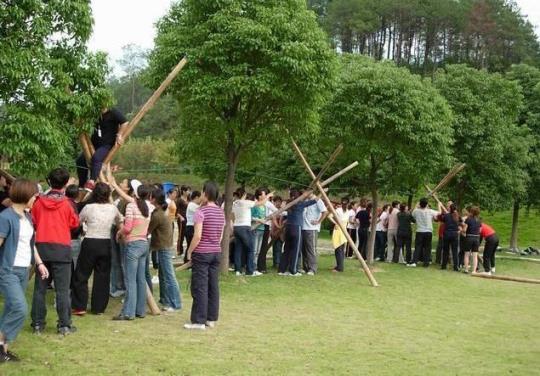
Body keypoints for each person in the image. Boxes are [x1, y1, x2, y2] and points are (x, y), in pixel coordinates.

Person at [0, 179, 49, 362]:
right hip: (7, 270)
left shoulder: (28, 217)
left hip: (23, 269)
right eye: (35, 196)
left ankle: (3, 350)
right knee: (20, 308)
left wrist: (40, 263)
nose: (36, 199)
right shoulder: (5, 218)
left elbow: (31, 244)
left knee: (11, 308)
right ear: (26, 195)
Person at [31, 168, 79, 335]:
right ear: (66, 183)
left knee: (40, 289)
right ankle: (64, 325)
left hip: (42, 249)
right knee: (62, 289)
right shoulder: (67, 204)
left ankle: (37, 323)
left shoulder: (38, 203)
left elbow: (33, 222)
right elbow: (74, 224)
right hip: (61, 249)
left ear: (49, 182)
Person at [71, 183, 122, 315]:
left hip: (90, 241)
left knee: (81, 274)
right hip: (105, 243)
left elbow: (77, 222)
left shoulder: (88, 207)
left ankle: (79, 306)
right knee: (102, 276)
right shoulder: (113, 209)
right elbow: (119, 221)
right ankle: (98, 308)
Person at [184, 181, 225, 330]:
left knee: (200, 287)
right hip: (215, 252)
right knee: (213, 286)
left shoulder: (200, 212)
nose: (200, 195)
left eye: (202, 192)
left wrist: (189, 251)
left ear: (206, 194)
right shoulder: (221, 212)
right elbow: (220, 235)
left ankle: (198, 321)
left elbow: (198, 235)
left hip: (202, 253)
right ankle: (211, 318)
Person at [112, 184, 152, 321]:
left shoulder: (131, 206)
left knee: (130, 280)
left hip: (133, 245)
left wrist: (119, 232)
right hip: (144, 244)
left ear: (134, 194)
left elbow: (128, 228)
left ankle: (128, 312)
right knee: (141, 279)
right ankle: (140, 310)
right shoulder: (148, 207)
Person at [76, 107, 128, 188]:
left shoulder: (113, 112)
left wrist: (119, 135)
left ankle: (92, 180)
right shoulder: (94, 111)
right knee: (80, 161)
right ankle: (82, 183)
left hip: (107, 144)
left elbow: (125, 122)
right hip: (94, 143)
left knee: (96, 158)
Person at [149, 188, 182, 312]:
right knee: (163, 275)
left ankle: (175, 303)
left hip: (164, 247)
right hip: (163, 246)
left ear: (154, 199)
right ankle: (165, 300)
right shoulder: (160, 211)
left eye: (151, 196)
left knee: (169, 276)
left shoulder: (158, 215)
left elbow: (148, 230)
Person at [278, 190, 317, 277]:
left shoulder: (289, 203)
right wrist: (321, 192)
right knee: (296, 250)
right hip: (296, 228)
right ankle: (293, 271)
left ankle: (282, 269)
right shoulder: (300, 204)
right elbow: (315, 200)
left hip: (288, 227)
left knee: (287, 249)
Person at [231, 189, 259, 276]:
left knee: (238, 249)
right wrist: (268, 196)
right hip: (244, 227)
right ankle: (250, 271)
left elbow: (233, 216)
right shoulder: (245, 203)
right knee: (251, 249)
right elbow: (260, 203)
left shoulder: (235, 203)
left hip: (237, 227)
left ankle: (237, 270)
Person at [408, 198, 440, 268]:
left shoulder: (416, 211)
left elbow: (412, 213)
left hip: (420, 231)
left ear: (420, 204)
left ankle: (414, 262)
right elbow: (439, 213)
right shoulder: (430, 211)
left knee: (418, 247)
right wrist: (439, 204)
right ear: (427, 204)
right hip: (428, 232)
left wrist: (417, 203)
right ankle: (426, 263)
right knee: (427, 247)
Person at [301, 194, 327, 275]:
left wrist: (318, 221)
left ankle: (312, 268)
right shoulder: (305, 200)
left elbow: (325, 212)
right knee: (304, 249)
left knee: (311, 249)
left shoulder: (318, 200)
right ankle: (305, 267)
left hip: (312, 228)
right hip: (303, 227)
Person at [440, 204, 463, 271]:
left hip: (447, 234)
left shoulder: (446, 216)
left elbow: (443, 221)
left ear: (450, 208)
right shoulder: (457, 216)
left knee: (445, 251)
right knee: (455, 251)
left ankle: (444, 266)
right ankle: (456, 267)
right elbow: (461, 222)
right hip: (455, 234)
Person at [251, 189, 267, 270]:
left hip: (262, 229)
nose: (265, 196)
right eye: (264, 194)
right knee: (254, 250)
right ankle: (252, 267)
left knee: (258, 251)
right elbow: (250, 217)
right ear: (259, 196)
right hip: (255, 229)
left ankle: (255, 267)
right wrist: (259, 220)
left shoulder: (264, 206)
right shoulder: (255, 205)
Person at [462, 206, 481, 274]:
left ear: (471, 212)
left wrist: (462, 230)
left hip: (469, 237)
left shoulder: (468, 219)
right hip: (476, 238)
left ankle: (466, 269)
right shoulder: (479, 220)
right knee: (475, 255)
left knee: (467, 254)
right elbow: (480, 231)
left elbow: (464, 230)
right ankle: (474, 270)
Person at [331, 202, 349, 272]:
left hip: (341, 230)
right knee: (339, 249)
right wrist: (336, 223)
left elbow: (329, 216)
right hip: (340, 230)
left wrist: (336, 223)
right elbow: (330, 216)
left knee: (339, 249)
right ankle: (339, 266)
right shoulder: (340, 210)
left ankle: (340, 267)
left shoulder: (346, 211)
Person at [184, 191, 201, 263]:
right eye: (200, 197)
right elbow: (200, 211)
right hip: (190, 227)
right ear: (196, 197)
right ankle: (187, 262)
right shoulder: (192, 205)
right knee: (190, 245)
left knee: (192, 245)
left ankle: (189, 262)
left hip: (192, 227)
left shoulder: (194, 205)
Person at [270, 196, 285, 268]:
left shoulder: (283, 211)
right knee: (274, 247)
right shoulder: (272, 210)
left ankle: (278, 263)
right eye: (276, 202)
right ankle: (275, 263)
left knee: (279, 247)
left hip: (281, 232)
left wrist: (280, 228)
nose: (278, 203)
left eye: (279, 202)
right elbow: (272, 221)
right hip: (273, 231)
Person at [176, 185, 190, 256]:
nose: (189, 192)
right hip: (182, 220)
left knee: (187, 234)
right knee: (181, 234)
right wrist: (180, 217)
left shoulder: (189, 199)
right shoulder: (179, 200)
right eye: (187, 190)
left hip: (188, 219)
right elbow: (176, 211)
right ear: (184, 191)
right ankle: (179, 250)